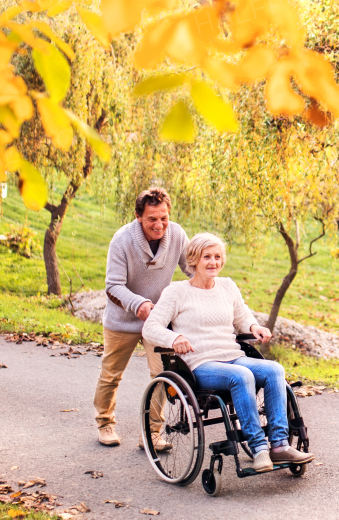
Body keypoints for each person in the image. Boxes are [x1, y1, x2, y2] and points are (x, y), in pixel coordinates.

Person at [142, 232, 314, 473]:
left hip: (233, 355)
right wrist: (175, 338)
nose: (213, 262)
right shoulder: (177, 292)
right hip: (200, 363)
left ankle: (279, 445)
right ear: (193, 260)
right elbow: (150, 328)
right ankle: (259, 448)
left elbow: (242, 316)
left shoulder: (227, 286)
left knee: (274, 369)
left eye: (217, 256)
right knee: (241, 376)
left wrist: (254, 327)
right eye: (207, 257)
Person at [94, 187, 191, 449]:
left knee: (162, 374)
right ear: (138, 216)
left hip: (157, 320)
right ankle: (105, 423)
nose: (159, 225)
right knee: (111, 374)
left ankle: (152, 433)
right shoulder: (122, 241)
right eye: (152, 219)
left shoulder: (178, 235)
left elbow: (191, 269)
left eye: (164, 218)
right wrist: (139, 304)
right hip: (123, 319)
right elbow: (113, 286)